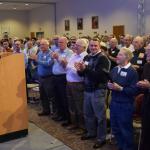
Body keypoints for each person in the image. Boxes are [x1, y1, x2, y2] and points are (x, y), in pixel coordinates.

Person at [75, 39, 110, 149]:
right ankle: (91, 133)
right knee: (88, 114)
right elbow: (82, 74)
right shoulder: (87, 57)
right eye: (91, 46)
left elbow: (100, 77)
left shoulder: (103, 59)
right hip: (87, 90)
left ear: (99, 46)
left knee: (100, 117)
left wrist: (85, 69)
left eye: (95, 45)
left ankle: (101, 138)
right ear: (88, 46)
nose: (93, 47)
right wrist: (79, 70)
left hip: (98, 91)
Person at [108, 48, 138, 150]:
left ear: (127, 57)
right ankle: (121, 147)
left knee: (125, 130)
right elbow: (110, 82)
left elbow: (134, 91)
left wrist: (120, 88)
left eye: (120, 55)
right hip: (114, 103)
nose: (117, 56)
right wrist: (109, 85)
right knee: (116, 129)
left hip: (125, 105)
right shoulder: (115, 69)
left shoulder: (132, 72)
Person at [66, 38, 88, 130]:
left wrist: (73, 68)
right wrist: (73, 67)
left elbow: (81, 72)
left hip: (78, 84)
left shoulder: (85, 57)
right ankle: (74, 123)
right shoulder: (74, 55)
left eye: (78, 45)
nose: (75, 46)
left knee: (79, 106)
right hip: (69, 83)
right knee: (71, 105)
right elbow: (67, 67)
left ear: (83, 47)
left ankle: (82, 126)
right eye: (75, 44)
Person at [51, 37, 73, 126]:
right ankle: (60, 115)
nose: (59, 44)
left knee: (64, 98)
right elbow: (54, 62)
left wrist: (58, 58)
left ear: (66, 43)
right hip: (55, 76)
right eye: (58, 42)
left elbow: (66, 65)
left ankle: (67, 118)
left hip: (63, 77)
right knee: (57, 97)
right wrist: (55, 57)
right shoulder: (56, 51)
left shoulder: (69, 52)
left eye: (61, 42)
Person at [30, 39, 54, 116]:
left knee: (51, 96)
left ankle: (54, 112)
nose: (42, 46)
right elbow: (37, 62)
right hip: (41, 77)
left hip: (49, 78)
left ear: (48, 45)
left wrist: (37, 60)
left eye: (43, 44)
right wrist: (33, 60)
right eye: (41, 45)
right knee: (43, 95)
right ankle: (46, 110)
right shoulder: (40, 52)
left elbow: (49, 63)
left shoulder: (51, 53)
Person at [137, 44, 150, 150]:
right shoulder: (146, 66)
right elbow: (143, 82)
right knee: (146, 130)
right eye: (146, 51)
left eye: (149, 51)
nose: (146, 53)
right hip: (147, 103)